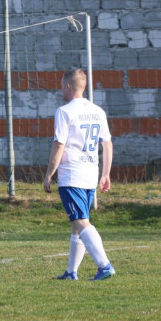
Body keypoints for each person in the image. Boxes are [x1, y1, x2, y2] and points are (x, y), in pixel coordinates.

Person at [43, 69, 116, 281]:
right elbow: (107, 144)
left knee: (81, 221)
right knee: (77, 224)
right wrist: (106, 174)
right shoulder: (98, 111)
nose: (59, 89)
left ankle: (104, 266)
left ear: (68, 86)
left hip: (72, 174)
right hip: (91, 173)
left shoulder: (64, 111)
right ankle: (71, 271)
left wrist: (49, 174)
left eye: (61, 85)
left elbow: (59, 144)